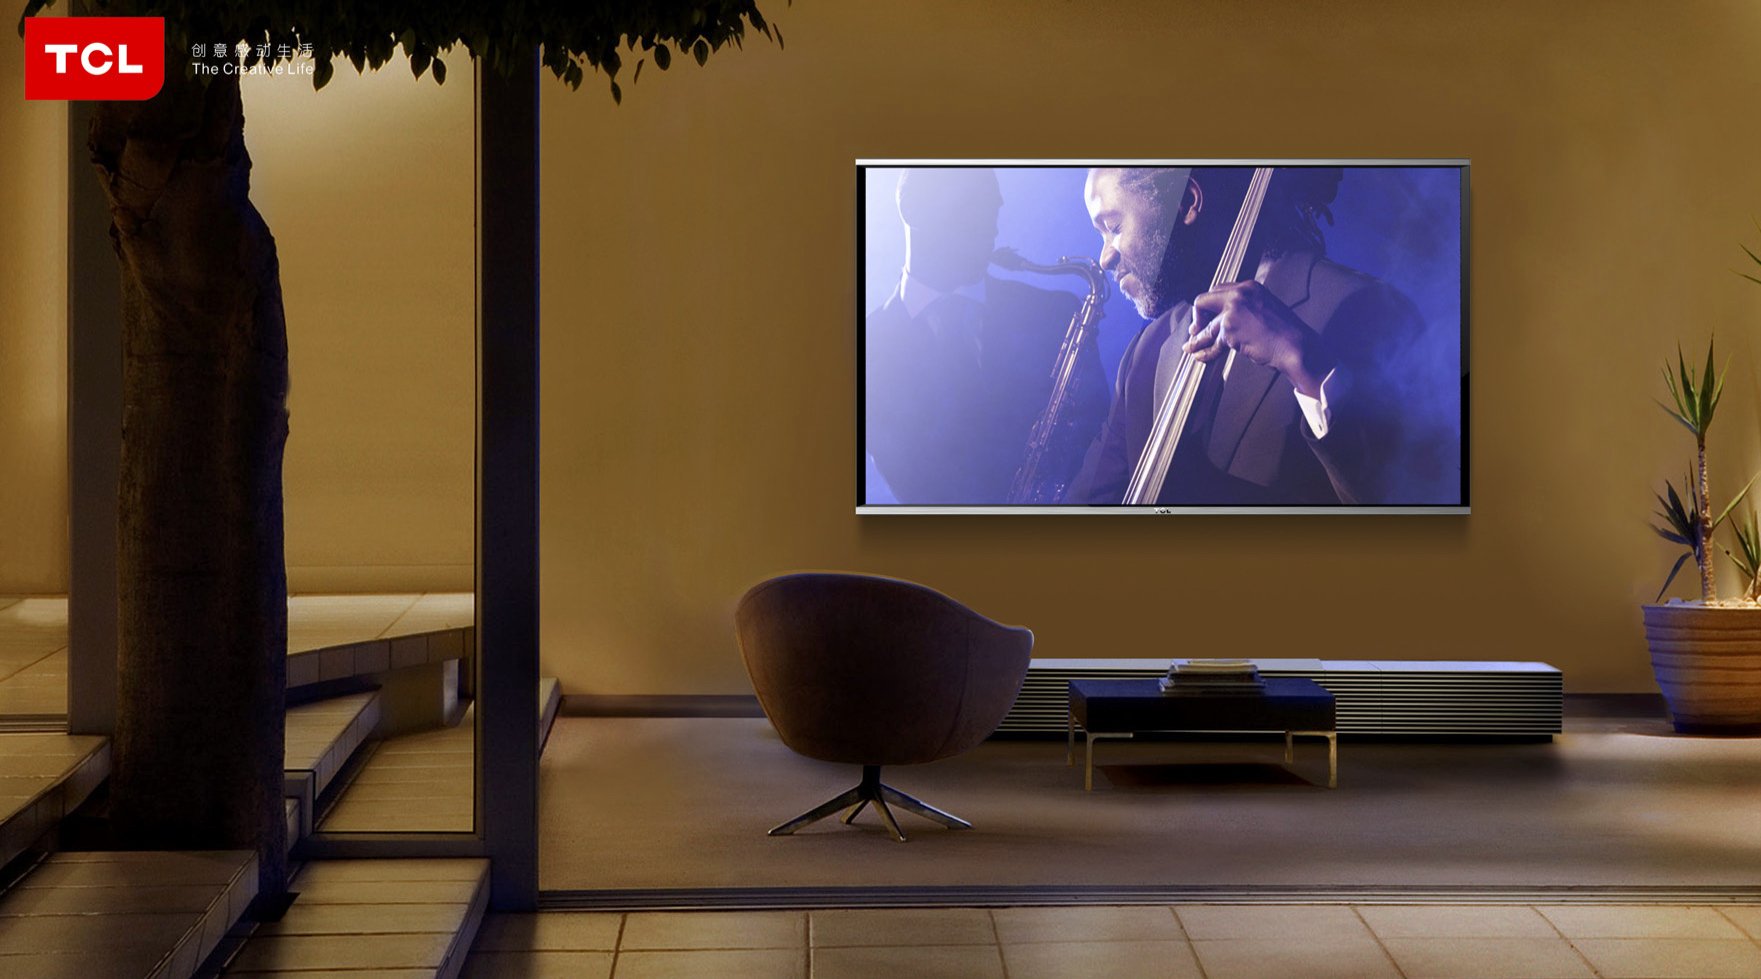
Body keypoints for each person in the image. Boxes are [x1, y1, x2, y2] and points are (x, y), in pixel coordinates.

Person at [1069, 166, 1453, 506]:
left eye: (1114, 227)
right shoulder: (1147, 350)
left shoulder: (1366, 307)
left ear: (1187, 202)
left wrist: (1303, 362)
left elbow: (1417, 502)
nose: (1104, 258)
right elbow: (1090, 502)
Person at [865, 168, 1108, 505]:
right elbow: (914, 483)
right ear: (913, 208)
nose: (993, 229)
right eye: (975, 208)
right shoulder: (866, 349)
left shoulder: (1058, 314)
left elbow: (1104, 444)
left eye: (994, 209)